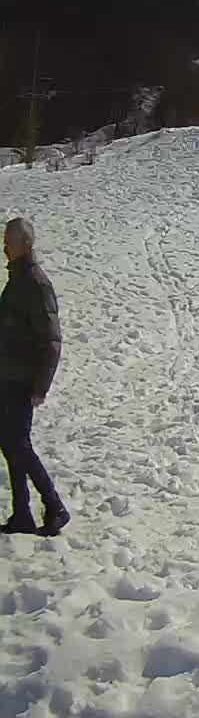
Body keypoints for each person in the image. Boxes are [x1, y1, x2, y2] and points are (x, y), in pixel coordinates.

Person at [0, 217, 65, 537]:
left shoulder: (35, 283)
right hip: (8, 376)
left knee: (18, 444)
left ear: (24, 245)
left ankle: (54, 506)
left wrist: (40, 386)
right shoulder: (18, 279)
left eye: (8, 242)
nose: (3, 247)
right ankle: (22, 514)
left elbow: (51, 342)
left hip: (22, 380)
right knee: (10, 443)